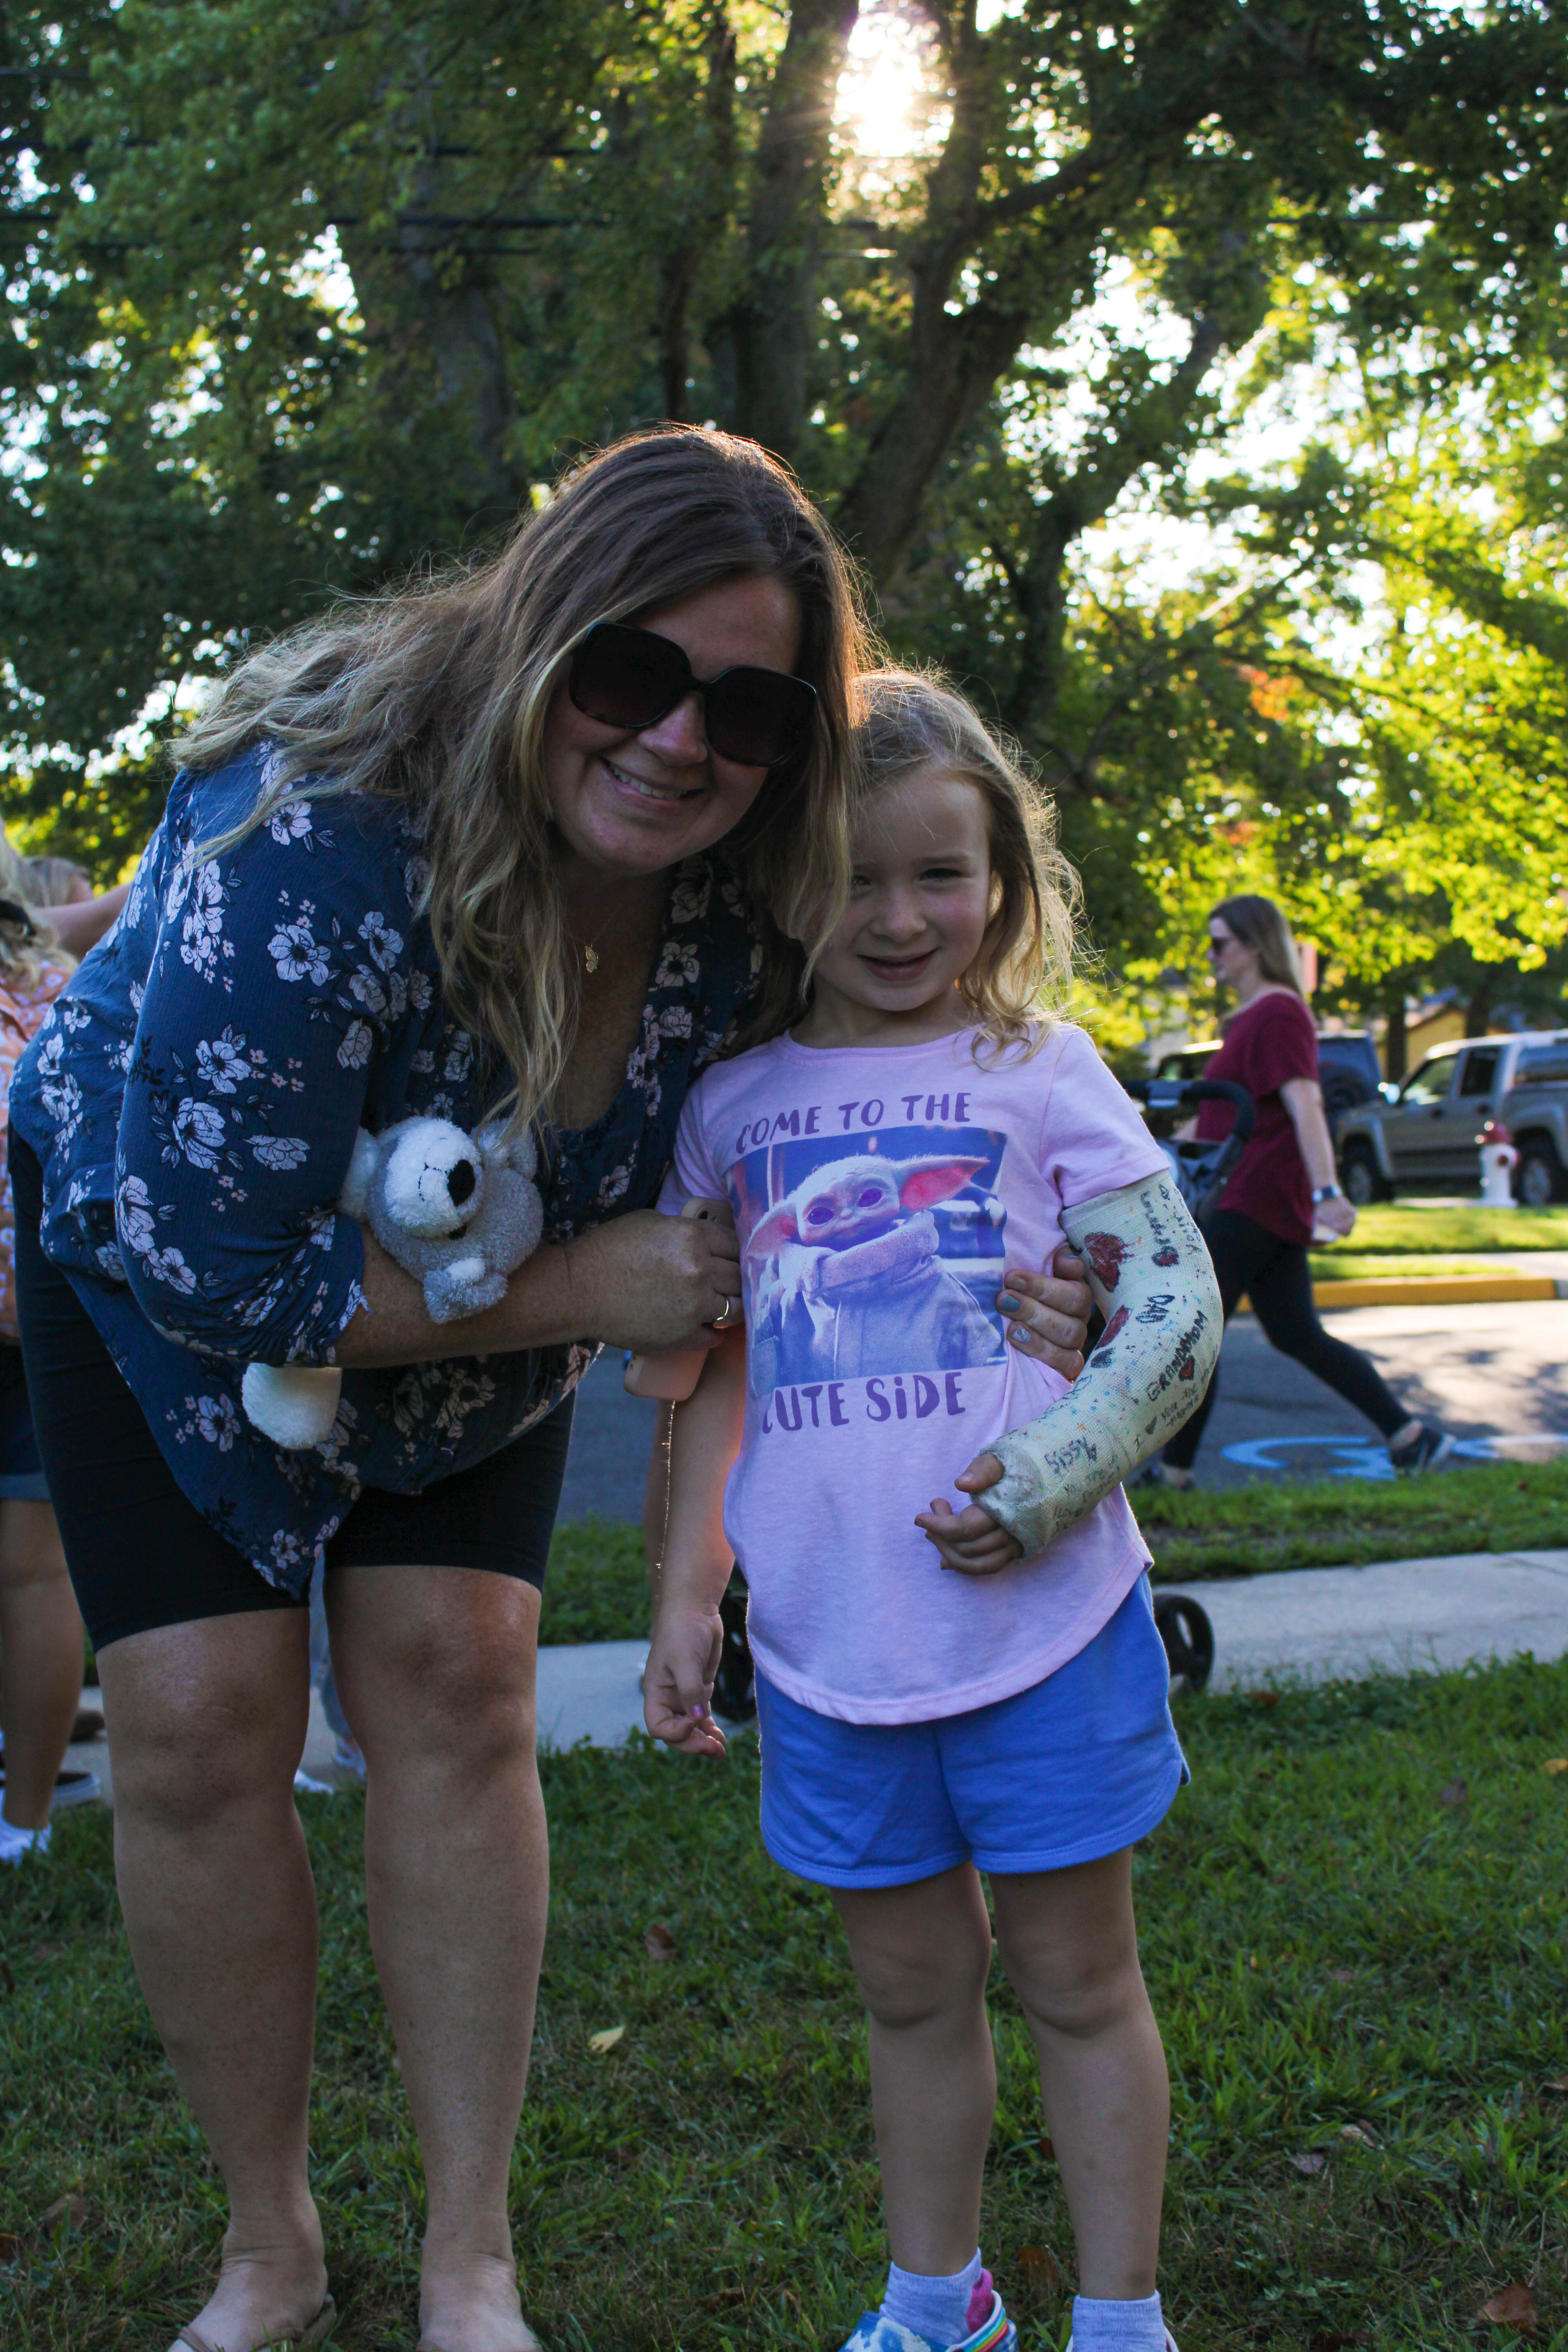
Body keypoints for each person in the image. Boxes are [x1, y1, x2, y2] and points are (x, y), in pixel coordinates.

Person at [8, 433, 1096, 2352]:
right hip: (167, 1270)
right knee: (190, 1722)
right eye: (628, 670)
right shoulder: (314, 828)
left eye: (748, 706)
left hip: (463, 1314)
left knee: (454, 1680)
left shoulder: (754, 884)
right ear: (539, 631)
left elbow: (874, 1127)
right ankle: (269, 2244)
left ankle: (467, 2258)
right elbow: (219, 1265)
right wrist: (581, 1282)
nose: (680, 739)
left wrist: (1060, 1276)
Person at [644, 671, 1210, 2352]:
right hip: (832, 1649)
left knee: (1078, 1984)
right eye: (849, 876)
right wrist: (687, 1592)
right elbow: (706, 1373)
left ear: (1002, 882)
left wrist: (1048, 1484)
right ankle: (937, 2302)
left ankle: (1120, 2319)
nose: (898, 918)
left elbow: (1167, 1316)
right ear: (769, 885)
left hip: (1048, 1631)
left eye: (938, 874)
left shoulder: (1043, 1071)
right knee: (906, 1995)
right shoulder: (729, 1108)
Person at [1146, 894, 1448, 1487]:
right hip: (1258, 1202)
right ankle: (1412, 1438)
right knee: (1297, 1334)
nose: (1212, 956)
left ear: (1254, 946)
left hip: (1251, 1199)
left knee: (1197, 1333)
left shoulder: (1279, 1012)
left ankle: (1176, 1475)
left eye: (1220, 943)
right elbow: (1213, 1122)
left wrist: (1329, 1189)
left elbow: (1305, 1101)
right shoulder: (1252, 1017)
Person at [0, 883, 98, 1860]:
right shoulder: (57, 994)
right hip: (46, 1309)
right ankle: (21, 1819)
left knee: (33, 1582)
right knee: (36, 1578)